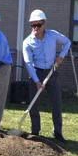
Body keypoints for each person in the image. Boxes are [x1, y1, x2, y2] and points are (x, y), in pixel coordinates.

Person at [22, 9, 71, 142]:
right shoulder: (27, 42)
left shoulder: (53, 35)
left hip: (52, 72)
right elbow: (28, 63)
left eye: (38, 25)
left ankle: (57, 132)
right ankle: (35, 131)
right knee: (34, 104)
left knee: (56, 103)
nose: (35, 28)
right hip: (36, 73)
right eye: (33, 25)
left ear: (44, 24)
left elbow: (67, 42)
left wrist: (61, 56)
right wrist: (37, 80)